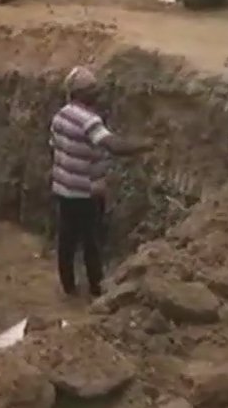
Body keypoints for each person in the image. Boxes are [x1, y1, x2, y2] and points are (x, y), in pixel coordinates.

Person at [51, 67, 155, 297]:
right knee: (91, 242)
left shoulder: (61, 115)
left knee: (66, 239)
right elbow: (112, 145)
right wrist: (146, 144)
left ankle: (68, 286)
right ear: (85, 93)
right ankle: (98, 289)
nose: (97, 94)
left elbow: (59, 147)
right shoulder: (90, 121)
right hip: (86, 192)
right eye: (93, 90)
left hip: (63, 189)